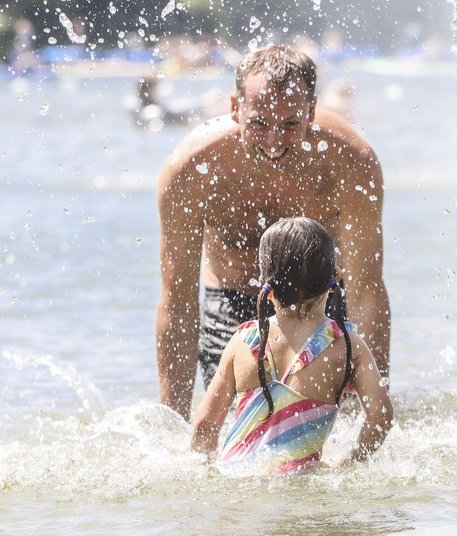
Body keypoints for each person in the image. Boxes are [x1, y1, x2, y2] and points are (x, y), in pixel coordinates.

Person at [156, 43, 390, 421]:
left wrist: (374, 410)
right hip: (232, 299)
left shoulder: (351, 163)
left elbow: (367, 291)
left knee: (332, 430)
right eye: (259, 123)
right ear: (235, 108)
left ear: (311, 111)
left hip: (322, 302)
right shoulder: (191, 170)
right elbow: (178, 301)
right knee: (235, 434)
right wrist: (172, 423)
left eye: (290, 124)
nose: (275, 142)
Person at [191, 217, 393, 474]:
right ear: (336, 280)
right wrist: (351, 460)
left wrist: (204, 468)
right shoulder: (346, 345)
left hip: (236, 477)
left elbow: (205, 425)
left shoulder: (243, 341)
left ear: (267, 288)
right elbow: (381, 416)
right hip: (301, 483)